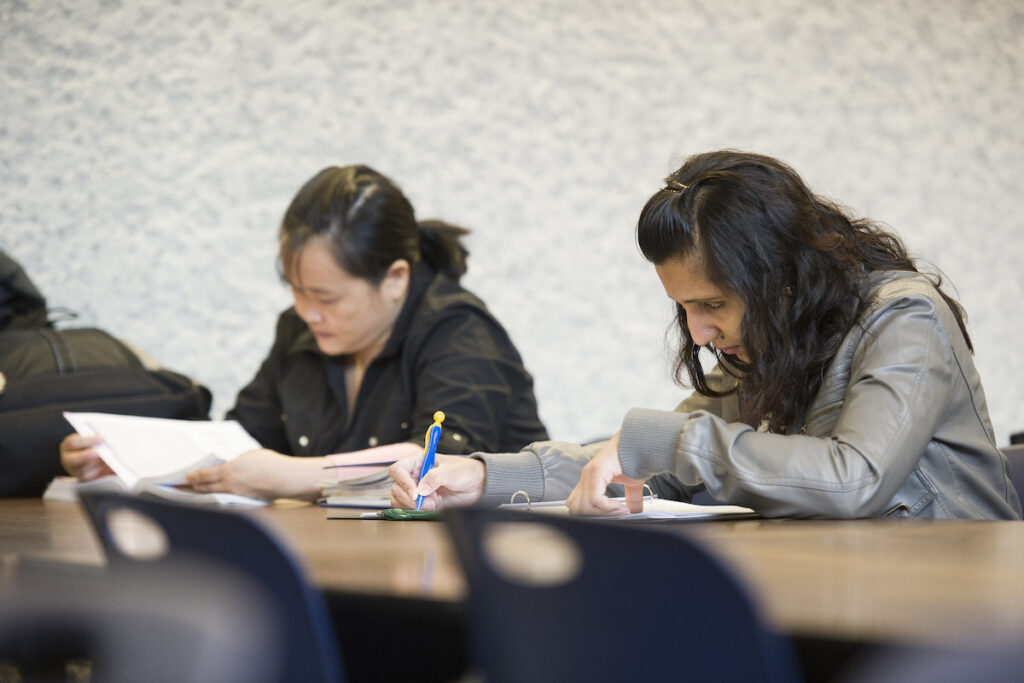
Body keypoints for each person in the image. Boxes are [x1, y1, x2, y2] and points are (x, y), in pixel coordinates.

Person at [391, 150, 1021, 520]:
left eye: (714, 303)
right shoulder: (768, 341)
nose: (699, 331)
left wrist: (668, 442)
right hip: (845, 592)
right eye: (684, 308)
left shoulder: (904, 316)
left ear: (783, 277)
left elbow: (855, 478)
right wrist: (479, 477)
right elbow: (638, 460)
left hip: (960, 618)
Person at [62, 165, 548, 499]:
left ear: (396, 278)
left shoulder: (459, 331)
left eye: (327, 298)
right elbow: (241, 445)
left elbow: (437, 464)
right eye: (297, 291)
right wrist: (128, 462)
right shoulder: (299, 333)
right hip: (342, 560)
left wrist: (292, 476)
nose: (307, 313)